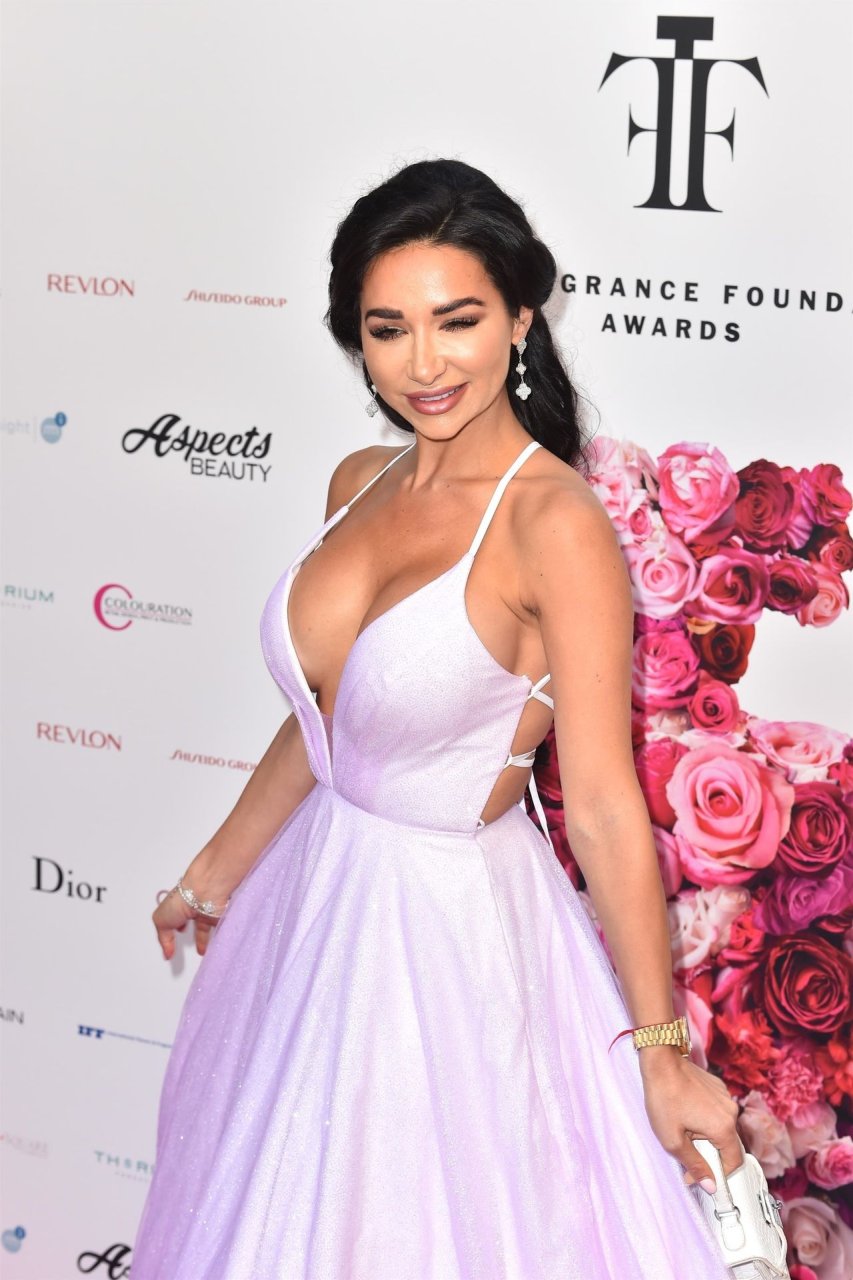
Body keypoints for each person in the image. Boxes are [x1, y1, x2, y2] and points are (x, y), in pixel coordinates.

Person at [131, 158, 742, 1278]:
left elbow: (604, 807)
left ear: (519, 318)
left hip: (444, 947)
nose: (422, 363)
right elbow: (332, 726)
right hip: (311, 902)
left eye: (456, 321)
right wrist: (214, 871)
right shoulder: (359, 480)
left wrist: (661, 1052)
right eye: (388, 329)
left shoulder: (553, 523)